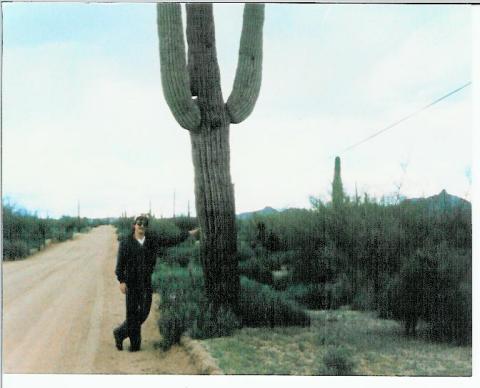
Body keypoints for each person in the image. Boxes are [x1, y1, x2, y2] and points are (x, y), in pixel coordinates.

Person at [113, 214, 157, 352]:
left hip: (146, 283)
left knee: (144, 312)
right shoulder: (126, 243)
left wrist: (187, 234)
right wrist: (121, 281)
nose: (141, 226)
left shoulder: (150, 241)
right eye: (139, 223)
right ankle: (134, 344)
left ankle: (120, 332)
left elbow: (169, 240)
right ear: (134, 225)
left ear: (146, 227)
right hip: (131, 283)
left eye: (144, 224)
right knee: (132, 313)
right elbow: (120, 265)